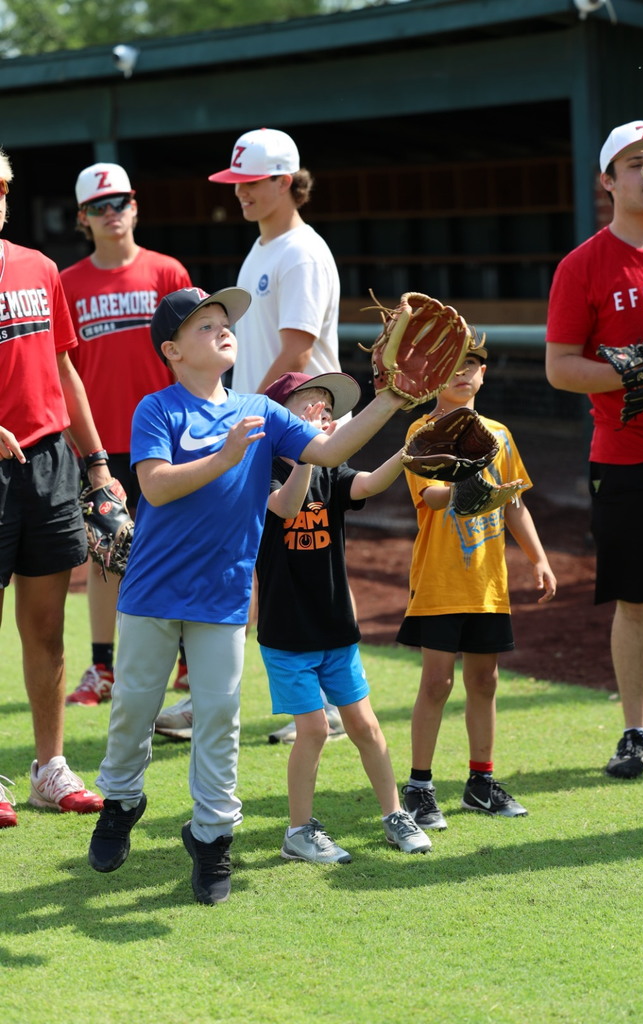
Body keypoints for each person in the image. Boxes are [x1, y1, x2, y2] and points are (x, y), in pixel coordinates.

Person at [87, 286, 407, 904]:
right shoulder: (157, 409)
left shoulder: (262, 408)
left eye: (224, 321)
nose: (222, 329)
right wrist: (227, 452)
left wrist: (393, 397)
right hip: (152, 593)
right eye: (205, 325)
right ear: (172, 352)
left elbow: (332, 449)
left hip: (224, 598)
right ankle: (122, 800)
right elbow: (154, 487)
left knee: (218, 722)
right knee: (133, 711)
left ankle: (211, 843)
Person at [545, 119, 643, 779]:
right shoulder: (582, 266)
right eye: (635, 162)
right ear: (607, 181)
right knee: (638, 600)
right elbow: (560, 368)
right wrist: (633, 370)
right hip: (629, 456)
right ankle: (635, 729)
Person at [253, 371, 431, 861]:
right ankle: (298, 832)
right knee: (312, 730)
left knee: (367, 727)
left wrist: (409, 451)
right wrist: (309, 454)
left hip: (336, 629)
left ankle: (395, 815)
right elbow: (287, 508)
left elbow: (368, 483)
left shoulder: (332, 470)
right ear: (279, 418)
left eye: (326, 408)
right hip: (288, 634)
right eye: (309, 405)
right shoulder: (262, 468)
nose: (322, 414)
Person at [209, 125, 347, 741]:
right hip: (268, 428)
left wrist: (243, 412)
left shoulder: (301, 250)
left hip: (299, 434)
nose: (240, 192)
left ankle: (327, 706)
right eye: (234, 182)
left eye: (251, 182)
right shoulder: (264, 248)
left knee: (304, 567)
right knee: (256, 564)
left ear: (285, 182)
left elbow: (296, 349)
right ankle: (223, 697)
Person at [398, 348, 556, 830]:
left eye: (470, 366)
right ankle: (419, 787)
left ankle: (480, 783)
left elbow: (515, 504)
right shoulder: (421, 433)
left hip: (489, 584)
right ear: (431, 379)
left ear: (483, 375)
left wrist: (539, 558)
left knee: (484, 681)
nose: (462, 374)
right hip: (441, 581)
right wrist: (465, 484)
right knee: (437, 682)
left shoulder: (500, 435)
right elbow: (430, 496)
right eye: (450, 367)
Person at [0, 146, 109, 828]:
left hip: (46, 464)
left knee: (47, 626)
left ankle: (49, 769)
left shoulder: (40, 268)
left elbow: (66, 370)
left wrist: (96, 462)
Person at [60, 163, 192, 707]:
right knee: (105, 555)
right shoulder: (66, 283)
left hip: (165, 437)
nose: (111, 213)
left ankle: (188, 663)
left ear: (135, 207)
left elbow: (196, 357)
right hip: (101, 446)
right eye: (99, 206)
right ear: (82, 219)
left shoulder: (168, 273)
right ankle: (103, 667)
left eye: (120, 202)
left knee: (179, 548)